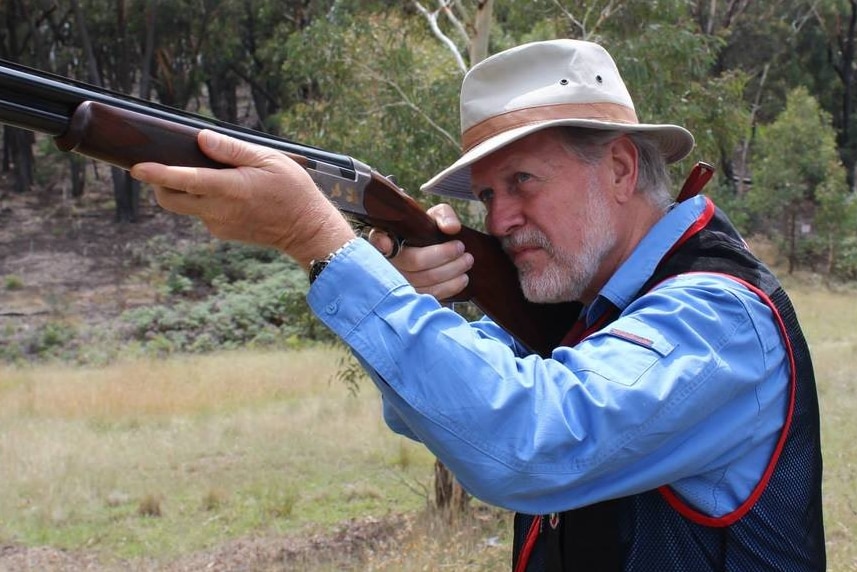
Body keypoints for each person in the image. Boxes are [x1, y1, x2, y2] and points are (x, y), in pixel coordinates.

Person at [130, 39, 825, 570]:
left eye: (522, 181)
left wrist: (316, 239)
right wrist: (413, 301)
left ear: (618, 168)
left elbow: (526, 442)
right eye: (489, 195)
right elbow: (434, 411)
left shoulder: (718, 317)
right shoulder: (592, 310)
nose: (499, 220)